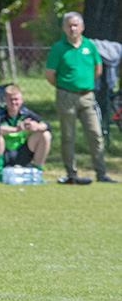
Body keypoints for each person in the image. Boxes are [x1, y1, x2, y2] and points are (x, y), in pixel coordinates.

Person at [45, 12, 117, 184]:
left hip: (87, 97)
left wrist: (84, 84)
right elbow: (49, 75)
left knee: (95, 135)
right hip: (66, 97)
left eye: (76, 25)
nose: (73, 29)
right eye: (69, 25)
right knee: (68, 136)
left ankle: (101, 173)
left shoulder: (89, 46)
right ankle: (72, 174)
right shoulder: (58, 48)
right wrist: (67, 87)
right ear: (64, 28)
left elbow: (97, 69)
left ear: (82, 27)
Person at [0, 84, 52, 182]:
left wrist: (36, 126)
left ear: (21, 100)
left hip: (19, 153)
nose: (14, 103)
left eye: (16, 99)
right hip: (3, 153)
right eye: (11, 100)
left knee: (45, 135)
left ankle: (37, 173)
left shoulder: (25, 113)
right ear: (4, 100)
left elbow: (47, 125)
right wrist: (15, 129)